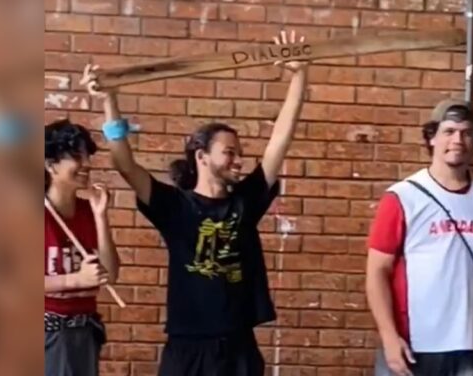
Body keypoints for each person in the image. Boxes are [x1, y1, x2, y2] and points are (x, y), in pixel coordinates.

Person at [80, 30, 308, 376]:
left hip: (239, 348)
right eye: (229, 152)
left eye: (240, 153)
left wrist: (299, 76)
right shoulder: (174, 206)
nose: (238, 160)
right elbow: (125, 164)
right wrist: (109, 99)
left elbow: (280, 140)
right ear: (202, 156)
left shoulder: (245, 202)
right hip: (187, 349)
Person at [366, 99, 473, 376]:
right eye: (449, 131)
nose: (457, 140)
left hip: (471, 347)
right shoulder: (403, 197)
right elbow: (377, 272)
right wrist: (388, 336)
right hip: (413, 346)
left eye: (466, 133)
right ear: (432, 137)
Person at [44, 119, 119, 376]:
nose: (87, 164)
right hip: (47, 333)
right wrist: (74, 280)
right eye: (77, 156)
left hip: (85, 331)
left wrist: (101, 216)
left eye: (88, 157)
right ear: (50, 164)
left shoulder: (89, 211)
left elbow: (111, 273)